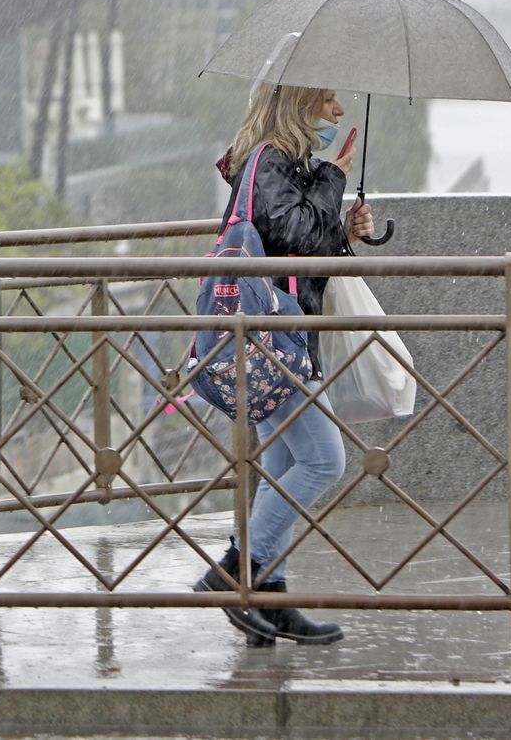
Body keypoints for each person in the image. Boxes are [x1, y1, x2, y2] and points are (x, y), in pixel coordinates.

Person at [194, 82, 373, 646]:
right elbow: (293, 232)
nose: (337, 110)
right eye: (325, 100)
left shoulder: (281, 163)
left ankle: (269, 599)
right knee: (323, 461)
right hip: (273, 336)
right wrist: (334, 176)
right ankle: (234, 573)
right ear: (296, 105)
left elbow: (300, 243)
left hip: (281, 331)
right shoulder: (270, 158)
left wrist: (345, 229)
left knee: (282, 464)